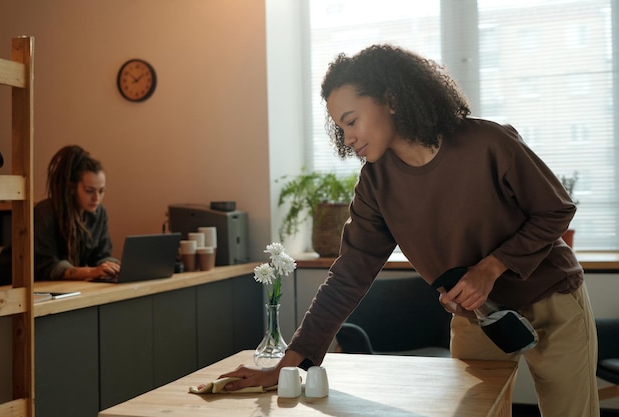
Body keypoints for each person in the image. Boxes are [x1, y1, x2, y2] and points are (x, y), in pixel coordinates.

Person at [219, 45, 599, 416]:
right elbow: (348, 276)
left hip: (552, 300)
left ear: (391, 100)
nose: (347, 138)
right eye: (340, 127)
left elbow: (555, 209)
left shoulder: (488, 142)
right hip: (477, 316)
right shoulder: (375, 184)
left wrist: (491, 268)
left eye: (351, 121)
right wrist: (285, 367)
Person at [32, 145, 120, 281]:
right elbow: (48, 266)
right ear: (72, 188)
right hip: (27, 285)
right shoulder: (45, 213)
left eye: (101, 191)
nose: (96, 198)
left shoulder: (99, 213)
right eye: (89, 191)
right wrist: (91, 272)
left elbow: (101, 255)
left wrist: (112, 267)